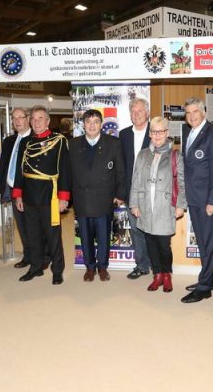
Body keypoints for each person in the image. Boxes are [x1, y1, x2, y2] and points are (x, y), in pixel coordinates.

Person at [13, 106, 70, 284]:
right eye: (34, 119)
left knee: (53, 235)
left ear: (47, 121)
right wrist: (18, 195)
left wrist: (64, 198)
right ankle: (36, 267)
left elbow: (65, 170)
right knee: (33, 235)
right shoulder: (25, 142)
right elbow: (19, 171)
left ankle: (57, 270)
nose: (36, 122)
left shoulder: (59, 140)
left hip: (50, 195)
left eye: (40, 118)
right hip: (29, 195)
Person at [130, 117, 186, 292]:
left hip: (165, 206)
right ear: (150, 134)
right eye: (154, 131)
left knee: (163, 244)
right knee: (150, 242)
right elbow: (136, 181)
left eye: (161, 131)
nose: (157, 135)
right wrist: (134, 204)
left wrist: (180, 205)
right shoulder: (143, 154)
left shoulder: (176, 155)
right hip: (145, 206)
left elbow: (182, 183)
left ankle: (167, 274)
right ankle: (157, 275)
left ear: (167, 133)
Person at [180, 98, 213, 303]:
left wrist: (212, 202)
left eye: (195, 112)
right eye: (188, 113)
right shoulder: (189, 132)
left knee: (207, 243)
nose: (191, 116)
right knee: (203, 241)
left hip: (206, 201)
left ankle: (204, 286)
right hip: (194, 198)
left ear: (203, 112)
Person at [69, 109, 125, 282]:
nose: (92, 125)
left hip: (104, 198)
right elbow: (67, 173)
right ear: (83, 124)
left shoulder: (113, 143)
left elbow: (121, 172)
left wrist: (119, 194)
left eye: (96, 122)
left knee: (103, 237)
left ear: (101, 124)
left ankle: (102, 267)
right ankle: (89, 267)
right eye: (88, 122)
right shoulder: (73, 144)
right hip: (82, 199)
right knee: (85, 236)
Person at [119, 98, 151, 280]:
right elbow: (120, 167)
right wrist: (120, 193)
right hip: (131, 193)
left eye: (140, 111)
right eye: (133, 111)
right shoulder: (123, 135)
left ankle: (158, 266)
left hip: (152, 193)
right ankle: (142, 265)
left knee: (153, 231)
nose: (137, 114)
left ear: (147, 113)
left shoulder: (155, 133)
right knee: (136, 230)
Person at [0, 108, 32, 269]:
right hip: (12, 189)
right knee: (22, 226)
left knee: (35, 225)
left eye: (21, 117)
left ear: (28, 119)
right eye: (14, 118)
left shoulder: (35, 139)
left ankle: (41, 256)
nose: (17, 121)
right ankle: (28, 255)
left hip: (30, 191)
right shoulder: (9, 141)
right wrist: (3, 189)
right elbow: (3, 166)